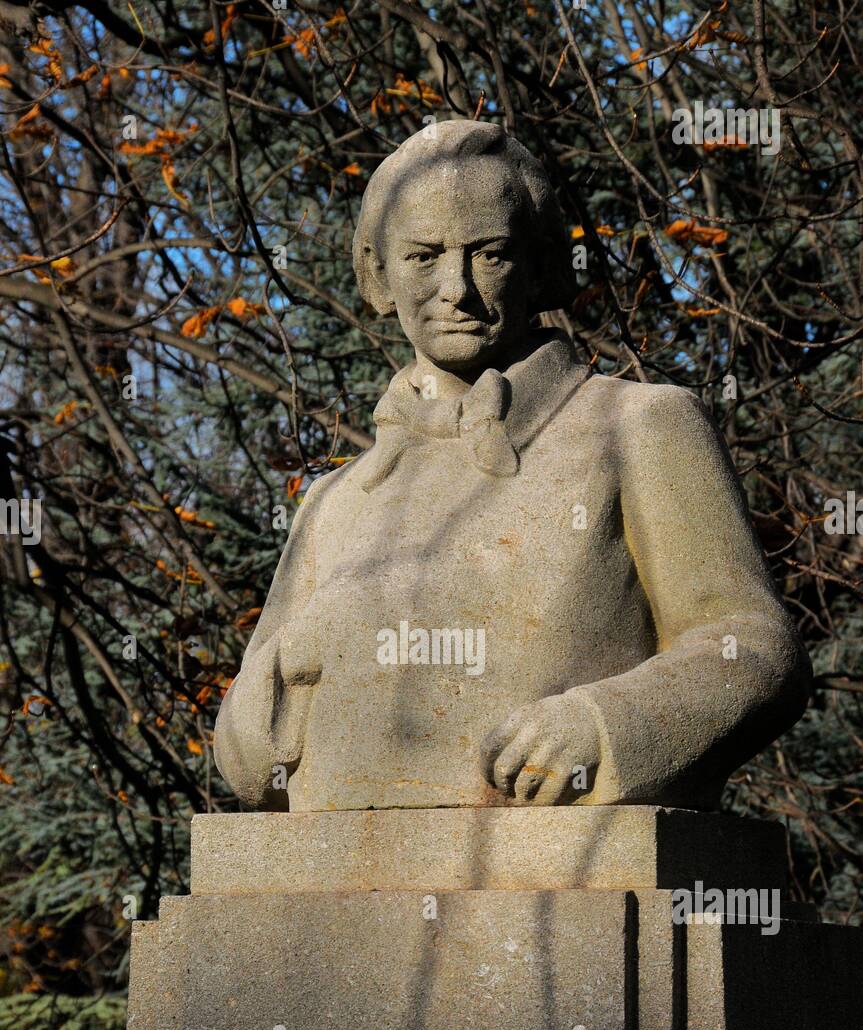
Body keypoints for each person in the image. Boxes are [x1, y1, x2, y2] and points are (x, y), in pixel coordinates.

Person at [214, 120, 810, 813]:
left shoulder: (635, 426)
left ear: (543, 263)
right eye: (422, 257)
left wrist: (604, 726)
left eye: (489, 254)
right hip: (327, 881)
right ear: (377, 273)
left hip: (561, 874)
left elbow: (753, 649)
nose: (456, 289)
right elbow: (248, 756)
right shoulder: (334, 498)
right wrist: (288, 681)